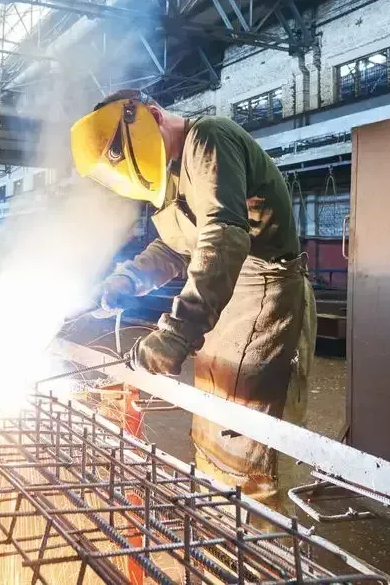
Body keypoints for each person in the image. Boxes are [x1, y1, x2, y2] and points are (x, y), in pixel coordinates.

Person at [69, 89, 316, 508]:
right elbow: (176, 249)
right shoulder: (170, 176)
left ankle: (262, 550)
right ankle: (226, 535)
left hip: (264, 302)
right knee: (216, 430)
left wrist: (176, 332)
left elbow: (223, 237)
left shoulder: (208, 140)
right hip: (226, 303)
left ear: (152, 115)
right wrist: (126, 279)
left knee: (248, 448)